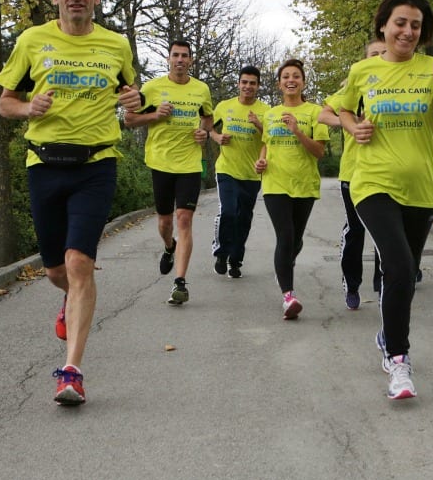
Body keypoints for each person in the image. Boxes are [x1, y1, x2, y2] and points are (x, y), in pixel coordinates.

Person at [0, 0, 140, 406]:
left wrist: (132, 100)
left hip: (96, 165)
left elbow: (129, 100)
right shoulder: (32, 41)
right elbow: (5, 103)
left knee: (79, 264)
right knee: (56, 269)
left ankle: (71, 371)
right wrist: (28, 108)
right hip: (43, 164)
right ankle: (70, 299)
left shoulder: (116, 46)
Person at [338, 0, 433, 400]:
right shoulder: (362, 71)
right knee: (396, 264)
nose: (408, 31)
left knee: (406, 274)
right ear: (383, 25)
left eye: (415, 25)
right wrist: (352, 126)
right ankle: (398, 360)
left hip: (421, 189)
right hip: (372, 183)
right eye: (400, 23)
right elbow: (340, 108)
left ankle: (387, 332)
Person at [123, 40, 213, 305]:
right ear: (168, 59)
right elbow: (129, 120)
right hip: (160, 162)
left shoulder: (201, 89)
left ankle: (180, 282)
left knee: (184, 219)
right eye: (176, 55)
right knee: (165, 223)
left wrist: (204, 132)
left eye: (185, 56)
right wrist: (154, 117)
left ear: (191, 61)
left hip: (189, 164)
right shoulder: (152, 88)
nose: (180, 60)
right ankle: (169, 246)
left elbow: (207, 119)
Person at [255, 59, 329, 319]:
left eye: (296, 76)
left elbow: (319, 151)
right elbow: (266, 144)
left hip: (305, 185)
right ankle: (289, 296)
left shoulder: (315, 112)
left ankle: (285, 263)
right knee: (285, 237)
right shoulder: (270, 113)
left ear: (303, 82)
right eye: (286, 76)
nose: (291, 80)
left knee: (295, 240)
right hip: (275, 183)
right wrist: (261, 160)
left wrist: (297, 131)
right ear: (279, 84)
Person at [319, 39, 385, 310]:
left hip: (385, 171)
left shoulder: (399, 87)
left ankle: (384, 284)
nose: (379, 57)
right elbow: (324, 115)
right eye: (373, 54)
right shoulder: (353, 86)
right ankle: (352, 284)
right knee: (356, 229)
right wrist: (349, 123)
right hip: (353, 171)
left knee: (384, 231)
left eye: (383, 53)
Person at [210, 66, 269, 279]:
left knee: (244, 218)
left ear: (258, 86)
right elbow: (209, 127)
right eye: (244, 82)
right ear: (238, 84)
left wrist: (259, 125)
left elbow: (272, 138)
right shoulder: (225, 106)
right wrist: (216, 138)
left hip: (251, 174)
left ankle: (236, 259)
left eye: (253, 83)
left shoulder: (265, 110)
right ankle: (221, 252)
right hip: (227, 169)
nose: (248, 86)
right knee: (228, 211)